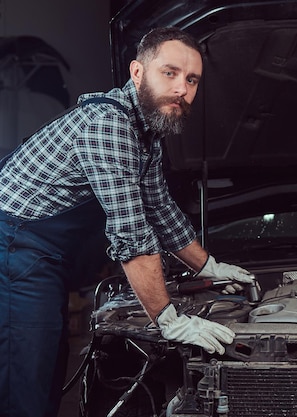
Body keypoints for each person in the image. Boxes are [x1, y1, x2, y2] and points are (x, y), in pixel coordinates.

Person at [0, 27, 251, 417]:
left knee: (49, 361)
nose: (182, 89)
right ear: (137, 73)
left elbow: (160, 207)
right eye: (170, 73)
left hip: (42, 249)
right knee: (27, 371)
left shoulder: (146, 131)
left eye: (191, 79)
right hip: (14, 243)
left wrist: (208, 267)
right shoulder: (108, 124)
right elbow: (132, 231)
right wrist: (169, 320)